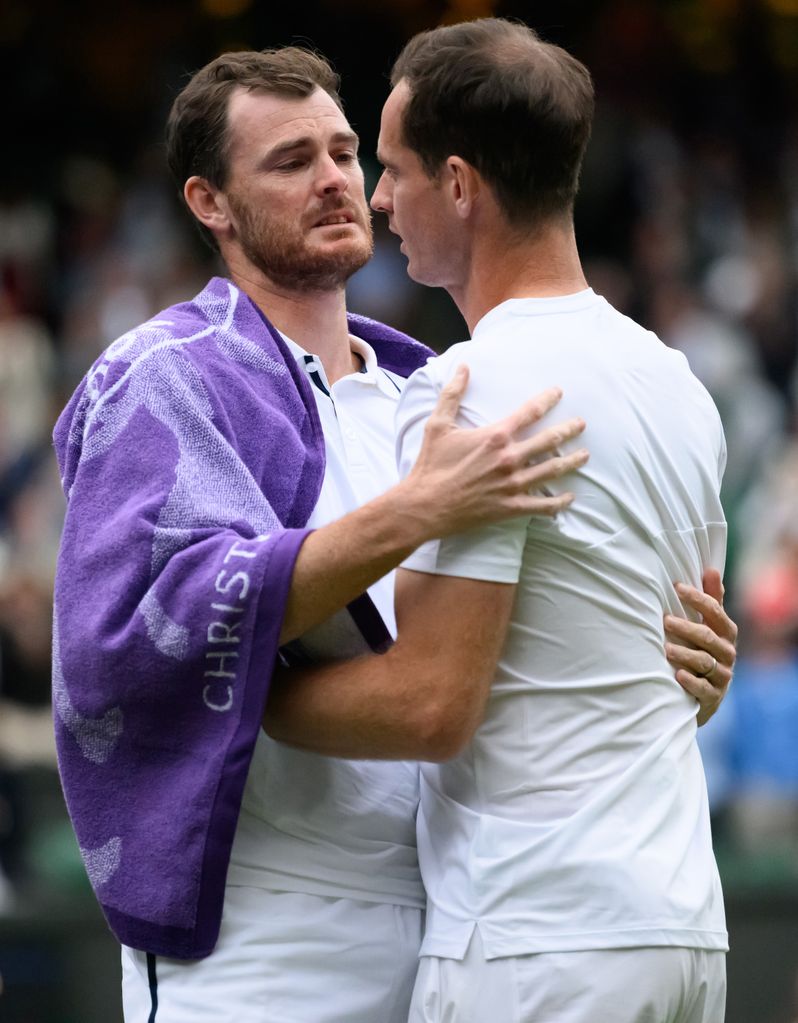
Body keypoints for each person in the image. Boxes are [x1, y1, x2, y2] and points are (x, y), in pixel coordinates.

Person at [50, 44, 735, 1023]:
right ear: (209, 203)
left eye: (344, 151)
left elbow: (516, 652)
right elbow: (121, 641)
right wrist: (410, 514)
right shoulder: (160, 378)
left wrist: (671, 666)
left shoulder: (433, 385)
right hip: (260, 947)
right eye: (291, 162)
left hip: (451, 930)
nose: (341, 183)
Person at [263, 20, 736, 1023]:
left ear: (463, 186)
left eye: (392, 169)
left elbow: (431, 707)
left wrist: (222, 699)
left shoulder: (471, 389)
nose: (378, 198)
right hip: (682, 928)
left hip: (535, 938)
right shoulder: (677, 381)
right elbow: (686, 667)